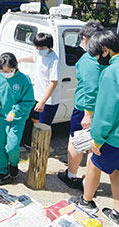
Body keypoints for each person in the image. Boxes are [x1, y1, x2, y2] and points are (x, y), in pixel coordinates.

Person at [70, 30, 119, 225]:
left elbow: (107, 112)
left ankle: (86, 201)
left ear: (106, 50)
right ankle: (117, 212)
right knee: (116, 172)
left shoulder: (111, 73)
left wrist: (97, 139)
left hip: (114, 137)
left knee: (93, 163)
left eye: (97, 55)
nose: (97, 60)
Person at [58, 22, 105, 190]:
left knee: (78, 141)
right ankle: (89, 181)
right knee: (94, 144)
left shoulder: (89, 60)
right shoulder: (105, 56)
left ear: (85, 38)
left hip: (86, 108)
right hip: (101, 108)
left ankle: (73, 176)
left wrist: (88, 114)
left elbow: (91, 89)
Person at [0, 52, 34, 184]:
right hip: (0, 117)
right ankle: (3, 170)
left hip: (16, 120)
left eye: (9, 70)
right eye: (3, 71)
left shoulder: (24, 80)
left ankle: (14, 164)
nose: (6, 73)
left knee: (12, 147)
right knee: (0, 146)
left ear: (15, 67)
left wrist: (15, 112)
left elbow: (29, 101)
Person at [19, 33, 61, 147]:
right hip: (37, 97)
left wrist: (42, 101)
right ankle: (36, 142)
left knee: (44, 126)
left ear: (49, 46)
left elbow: (53, 83)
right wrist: (20, 59)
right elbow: (34, 58)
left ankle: (42, 146)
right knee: (34, 119)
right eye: (36, 47)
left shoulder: (54, 61)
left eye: (41, 48)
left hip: (48, 100)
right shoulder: (40, 55)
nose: (38, 50)